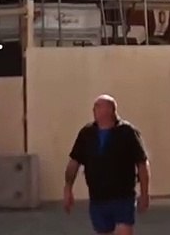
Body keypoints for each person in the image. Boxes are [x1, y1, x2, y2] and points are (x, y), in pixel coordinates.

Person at [63, 94, 150, 235]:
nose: (93, 110)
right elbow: (74, 162)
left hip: (123, 196)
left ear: (109, 110)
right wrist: (68, 188)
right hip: (98, 197)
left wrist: (144, 193)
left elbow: (142, 163)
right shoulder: (87, 133)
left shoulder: (127, 132)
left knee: (124, 230)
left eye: (97, 106)